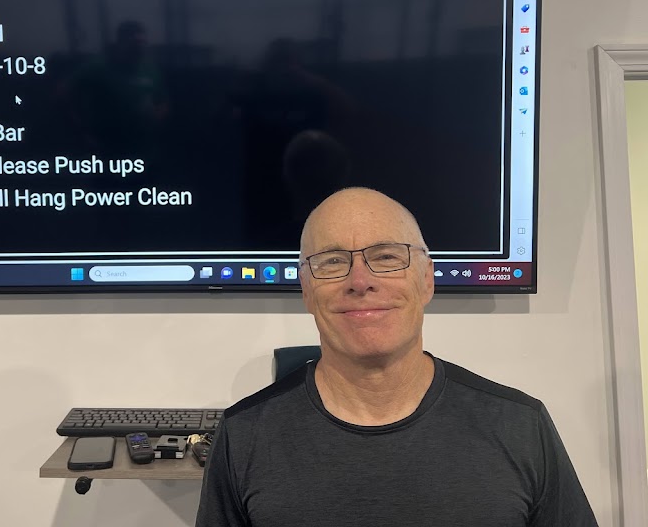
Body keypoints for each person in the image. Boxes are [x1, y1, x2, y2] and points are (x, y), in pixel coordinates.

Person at [195, 187, 598, 527]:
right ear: (306, 291)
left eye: (387, 256)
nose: (360, 281)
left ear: (426, 281)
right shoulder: (243, 435)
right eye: (332, 261)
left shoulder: (520, 426)